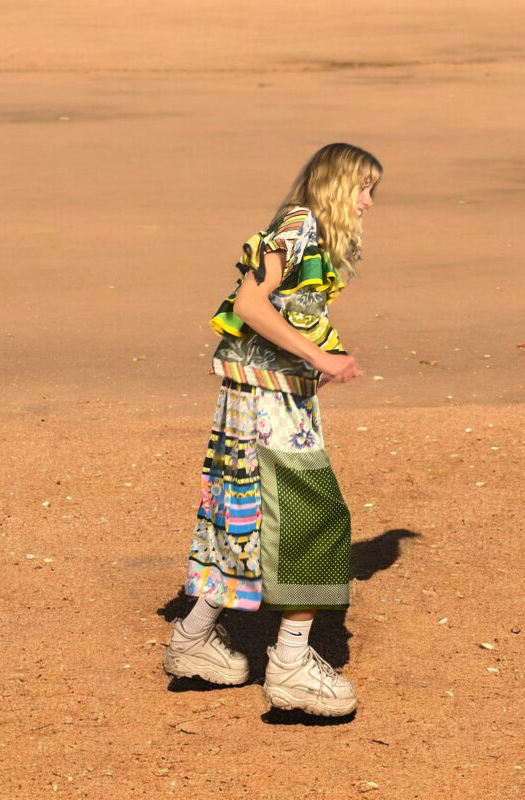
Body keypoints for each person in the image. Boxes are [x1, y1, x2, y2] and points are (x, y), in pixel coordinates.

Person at [164, 143, 383, 716]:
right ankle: (289, 666)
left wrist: (316, 365)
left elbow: (281, 314)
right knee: (315, 517)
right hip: (265, 401)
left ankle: (193, 639)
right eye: (363, 189)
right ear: (335, 185)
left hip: (264, 394)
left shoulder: (310, 234)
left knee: (245, 515)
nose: (366, 203)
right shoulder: (301, 223)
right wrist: (323, 357)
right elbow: (251, 304)